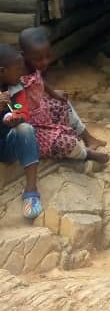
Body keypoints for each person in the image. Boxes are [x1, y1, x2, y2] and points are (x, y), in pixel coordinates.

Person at [19, 27, 109, 165]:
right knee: (65, 143)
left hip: (42, 113)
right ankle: (86, 154)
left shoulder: (33, 67)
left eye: (48, 56)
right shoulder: (16, 74)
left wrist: (54, 94)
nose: (44, 62)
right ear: (23, 55)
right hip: (32, 126)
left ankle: (88, 138)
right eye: (38, 59)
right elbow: (15, 103)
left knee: (62, 103)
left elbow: (40, 80)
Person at [0, 44, 43, 219]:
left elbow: (22, 111)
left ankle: (31, 190)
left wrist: (18, 118)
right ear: (2, 71)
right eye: (17, 69)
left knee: (25, 129)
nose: (21, 73)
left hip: (7, 146)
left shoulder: (16, 89)